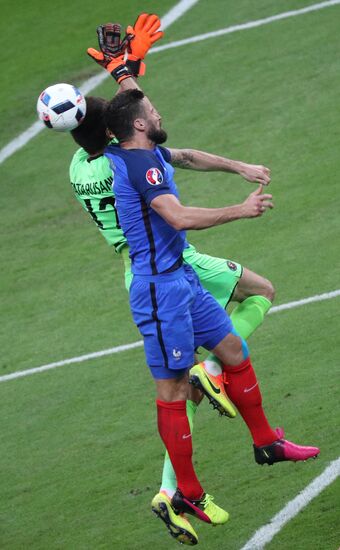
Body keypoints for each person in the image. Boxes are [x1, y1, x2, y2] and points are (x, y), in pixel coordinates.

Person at [66, 16, 319, 545]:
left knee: (232, 350)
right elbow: (177, 218)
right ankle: (186, 491)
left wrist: (123, 70)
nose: (160, 115)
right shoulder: (133, 169)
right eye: (153, 113)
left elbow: (144, 115)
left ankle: (267, 441)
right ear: (137, 126)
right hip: (157, 290)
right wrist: (241, 210)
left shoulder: (146, 147)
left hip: (181, 276)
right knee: (174, 390)